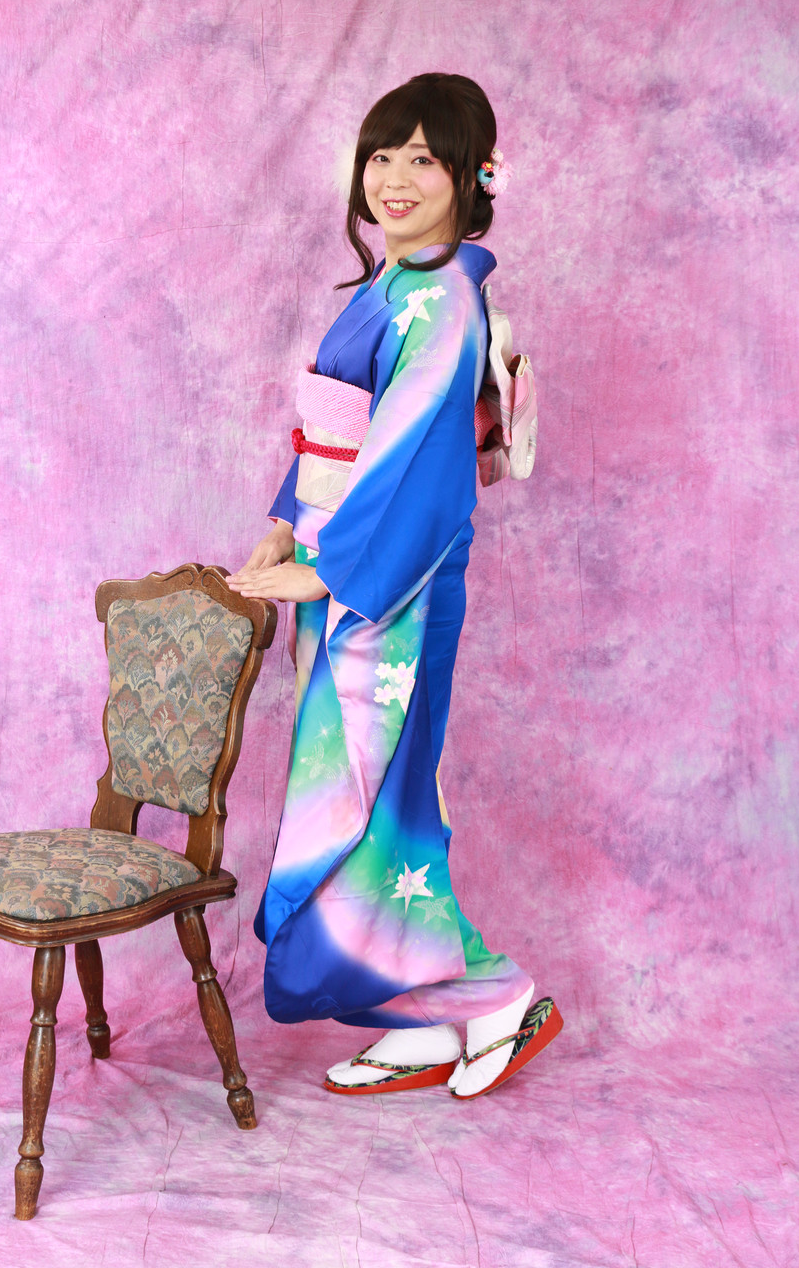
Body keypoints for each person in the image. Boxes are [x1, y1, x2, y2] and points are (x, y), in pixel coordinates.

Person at [227, 72, 561, 1100]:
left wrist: (321, 567)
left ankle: (497, 994)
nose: (395, 177)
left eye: (423, 157)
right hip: (343, 580)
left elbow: (416, 461)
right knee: (372, 815)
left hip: (391, 590)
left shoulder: (444, 299)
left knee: (380, 814)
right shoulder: (389, 285)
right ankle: (415, 1022)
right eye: (382, 155)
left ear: (471, 177)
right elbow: (332, 437)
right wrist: (284, 519)